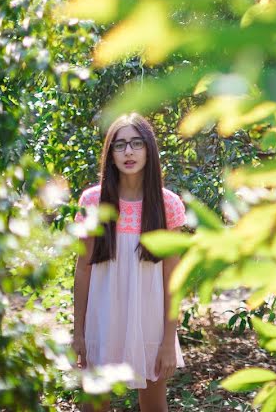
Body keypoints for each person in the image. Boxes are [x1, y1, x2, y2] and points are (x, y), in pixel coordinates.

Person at [72, 113, 187, 412]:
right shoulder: (92, 201)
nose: (129, 152)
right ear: (110, 155)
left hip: (150, 323)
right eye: (120, 145)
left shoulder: (168, 204)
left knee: (153, 406)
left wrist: (167, 341)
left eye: (137, 143)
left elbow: (173, 278)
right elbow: (83, 268)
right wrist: (79, 333)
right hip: (102, 319)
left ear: (149, 149)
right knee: (93, 405)